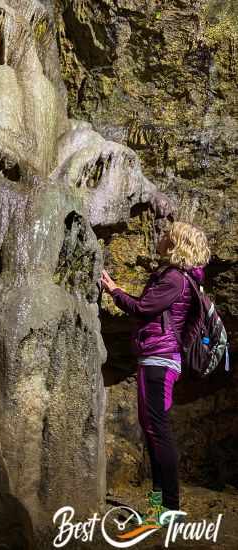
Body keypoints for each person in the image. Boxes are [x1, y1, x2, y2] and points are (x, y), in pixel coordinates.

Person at [100, 221, 211, 526]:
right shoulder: (179, 278)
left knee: (158, 432)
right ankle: (158, 506)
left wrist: (114, 290)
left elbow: (143, 307)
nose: (161, 237)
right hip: (158, 359)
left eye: (167, 235)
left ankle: (169, 508)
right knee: (153, 431)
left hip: (159, 361)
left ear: (177, 244)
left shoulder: (175, 278)